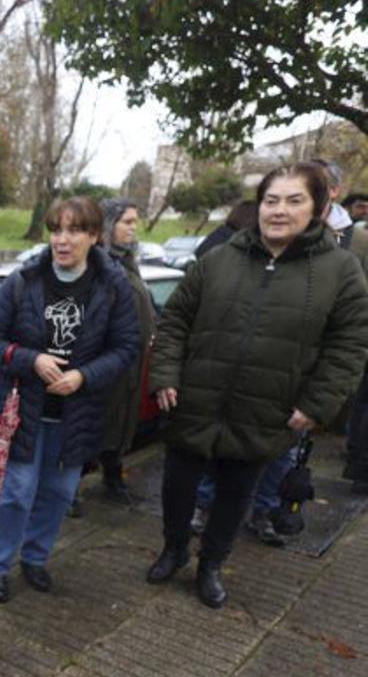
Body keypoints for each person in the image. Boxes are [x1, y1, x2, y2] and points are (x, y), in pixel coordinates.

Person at [148, 162, 368, 608]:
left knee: (234, 498)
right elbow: (174, 323)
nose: (279, 211)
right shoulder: (220, 257)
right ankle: (173, 550)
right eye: (271, 200)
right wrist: (166, 375)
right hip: (195, 401)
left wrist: (316, 405)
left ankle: (210, 565)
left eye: (294, 200)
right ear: (258, 206)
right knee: (177, 489)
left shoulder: (341, 271)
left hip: (267, 409)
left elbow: (348, 347)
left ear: (320, 209)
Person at [0, 197, 139, 603]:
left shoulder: (112, 285)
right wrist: (32, 360)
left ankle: (35, 558)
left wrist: (84, 376)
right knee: (17, 491)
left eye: (73, 231)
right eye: (56, 230)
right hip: (24, 411)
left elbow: (126, 348)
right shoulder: (24, 280)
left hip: (77, 415)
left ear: (93, 236)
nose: (62, 240)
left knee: (59, 493)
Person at [95, 198, 157, 503]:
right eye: (127, 222)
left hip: (130, 365)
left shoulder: (127, 262)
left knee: (120, 422)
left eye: (135, 221)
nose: (134, 228)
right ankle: (69, 492)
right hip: (104, 363)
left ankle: (112, 474)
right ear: (108, 225)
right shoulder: (96, 264)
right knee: (94, 424)